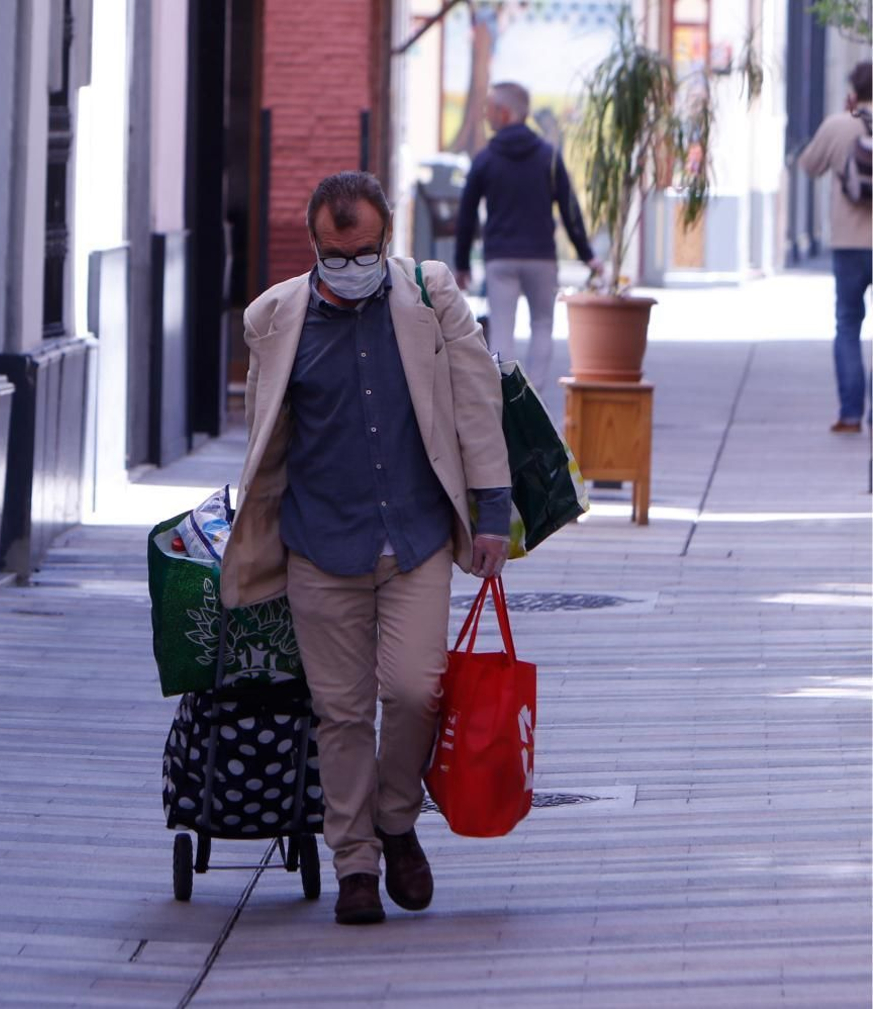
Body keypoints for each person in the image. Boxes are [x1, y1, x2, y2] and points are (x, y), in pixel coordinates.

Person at [221, 172, 512, 925]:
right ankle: (355, 862)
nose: (352, 264)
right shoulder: (276, 318)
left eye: (365, 250)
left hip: (414, 536)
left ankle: (395, 817)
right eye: (336, 251)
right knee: (341, 712)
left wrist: (493, 508)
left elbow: (476, 396)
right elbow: (265, 442)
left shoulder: (430, 297)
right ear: (314, 244)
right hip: (322, 544)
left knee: (415, 690)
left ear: (387, 238)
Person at [454, 81, 600, 391]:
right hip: (541, 257)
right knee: (543, 325)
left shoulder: (485, 159)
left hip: (501, 258)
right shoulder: (548, 156)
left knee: (502, 329)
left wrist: (462, 264)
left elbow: (466, 214)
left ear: (505, 113)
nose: (485, 115)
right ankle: (536, 399)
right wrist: (588, 255)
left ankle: (508, 402)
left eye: (489, 109)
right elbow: (570, 208)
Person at [798, 60, 873, 434]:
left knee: (847, 324)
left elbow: (808, 165)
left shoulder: (838, 126)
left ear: (853, 92)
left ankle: (850, 415)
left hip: (848, 243)